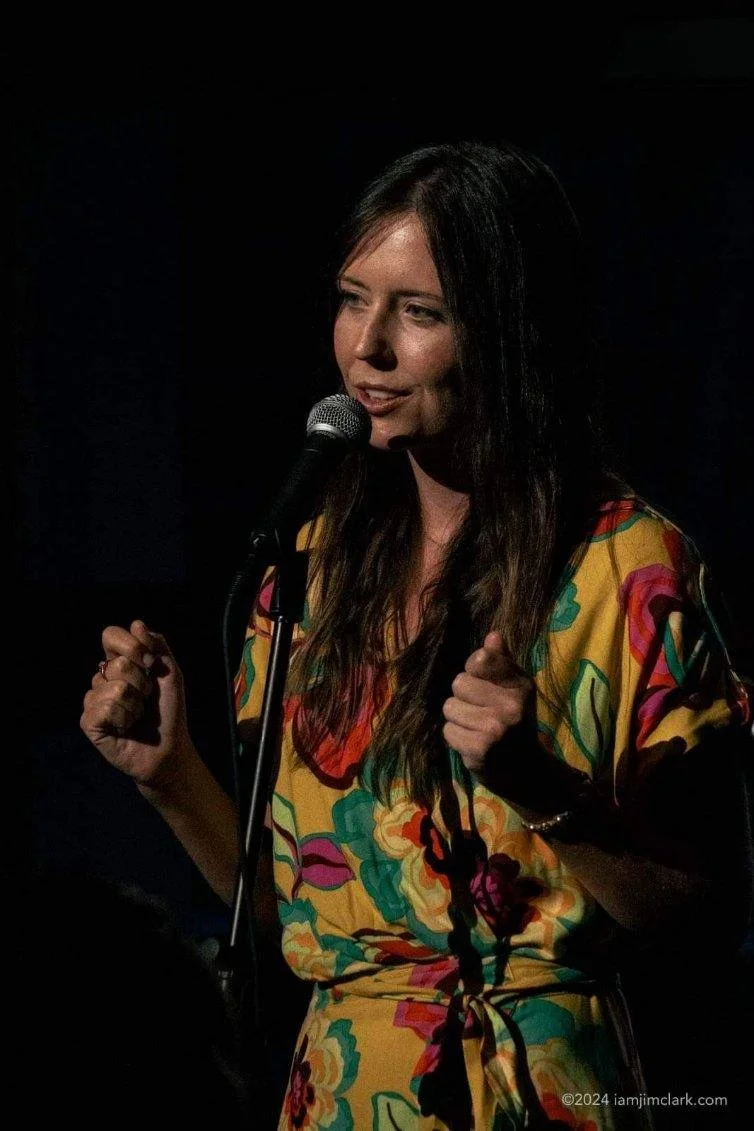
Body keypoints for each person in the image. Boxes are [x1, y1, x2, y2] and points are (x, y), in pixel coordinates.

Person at [80, 140, 752, 1129]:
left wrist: (538, 785)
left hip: (548, 1089)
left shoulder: (632, 571)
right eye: (353, 299)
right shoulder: (308, 571)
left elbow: (707, 920)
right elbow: (285, 923)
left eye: (420, 313)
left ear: (511, 330)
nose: (367, 349)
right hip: (347, 1090)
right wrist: (169, 775)